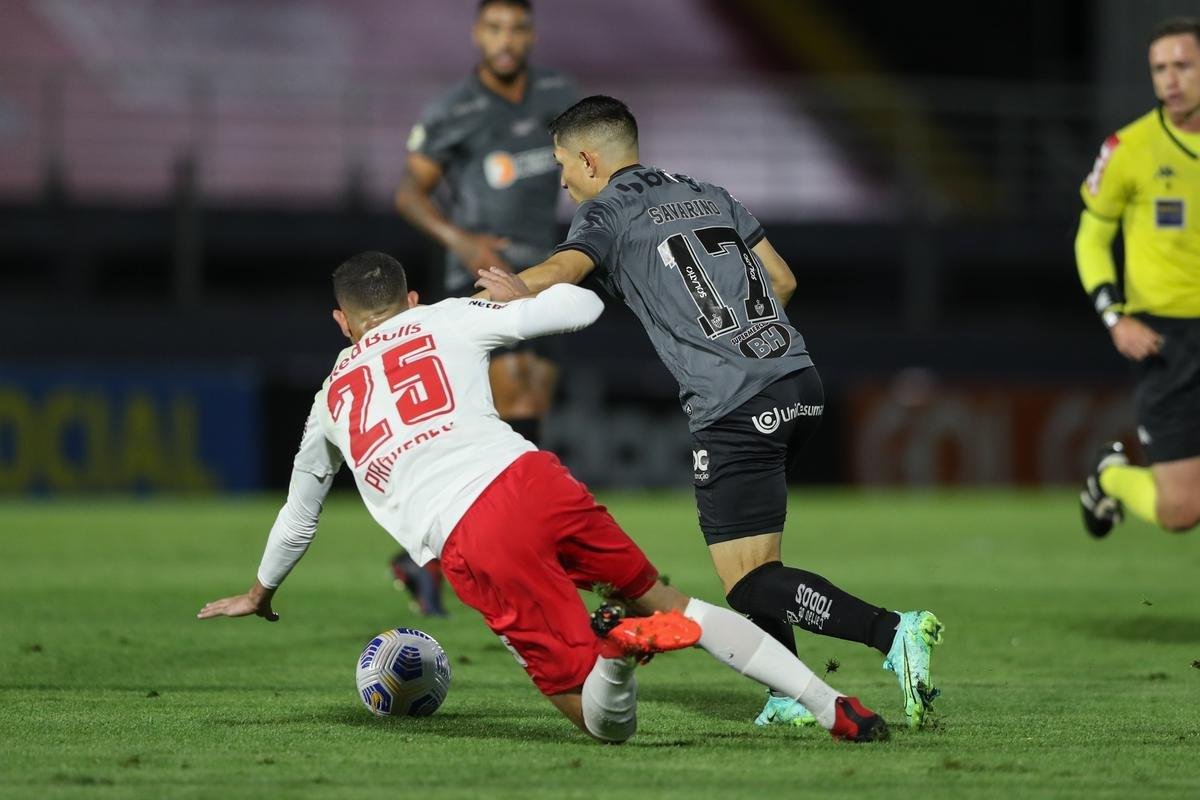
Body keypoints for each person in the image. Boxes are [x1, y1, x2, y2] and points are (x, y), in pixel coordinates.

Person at [197, 251, 889, 744]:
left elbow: (299, 515)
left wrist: (260, 591)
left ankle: (615, 651)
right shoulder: (445, 318)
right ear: (408, 302)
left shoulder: (328, 401)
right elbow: (579, 306)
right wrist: (520, 294)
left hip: (472, 533)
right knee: (671, 602)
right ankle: (835, 709)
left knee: (600, 724)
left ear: (342, 324)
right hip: (534, 479)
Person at [476, 96, 944, 730]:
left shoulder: (608, 209)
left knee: (748, 587)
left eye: (563, 165)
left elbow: (568, 267)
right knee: (760, 564)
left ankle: (893, 632)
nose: (562, 181)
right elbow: (782, 279)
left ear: (589, 158)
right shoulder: (706, 191)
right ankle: (786, 692)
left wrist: (517, 287)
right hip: (796, 379)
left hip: (735, 403)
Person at [390, 0, 580, 612]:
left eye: (517, 27)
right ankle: (519, 551)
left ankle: (426, 557)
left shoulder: (558, 93)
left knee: (525, 408)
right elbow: (409, 193)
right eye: (495, 27)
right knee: (514, 397)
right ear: (477, 33)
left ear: (531, 33)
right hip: (481, 275)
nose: (506, 39)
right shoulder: (455, 110)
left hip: (541, 276)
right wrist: (461, 240)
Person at [1077, 17, 1200, 538]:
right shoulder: (1129, 148)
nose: (1170, 79)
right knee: (1180, 513)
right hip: (1165, 342)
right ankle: (1109, 477)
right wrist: (1114, 316)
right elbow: (1092, 238)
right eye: (1159, 68)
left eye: (1183, 65)